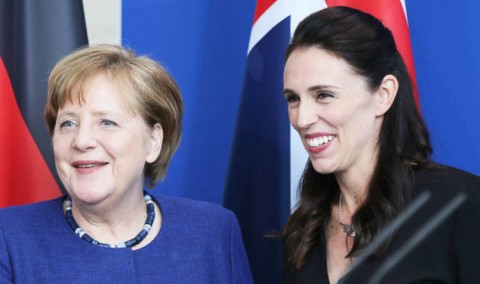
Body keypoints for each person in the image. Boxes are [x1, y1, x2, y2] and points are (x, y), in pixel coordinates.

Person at [0, 44, 252, 283]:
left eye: (107, 122)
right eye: (68, 123)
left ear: (153, 141)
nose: (82, 140)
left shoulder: (213, 231)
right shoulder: (9, 237)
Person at [281, 6, 480, 284]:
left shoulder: (461, 204)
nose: (302, 119)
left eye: (324, 95)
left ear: (383, 95)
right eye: (293, 99)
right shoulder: (302, 228)